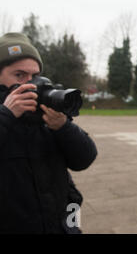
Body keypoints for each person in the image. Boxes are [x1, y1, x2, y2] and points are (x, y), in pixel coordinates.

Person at [0, 32, 97, 233]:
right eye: (19, 75)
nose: (30, 83)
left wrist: (63, 127)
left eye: (34, 76)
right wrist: (7, 115)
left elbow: (84, 159)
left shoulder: (45, 112)